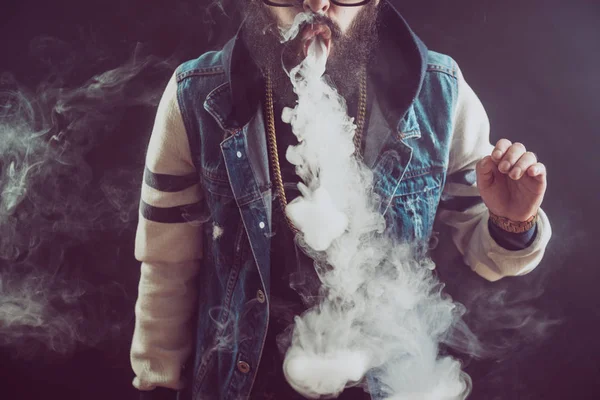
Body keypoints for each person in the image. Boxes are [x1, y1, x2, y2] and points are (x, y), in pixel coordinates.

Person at [130, 0, 552, 399]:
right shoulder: (194, 96)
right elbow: (168, 266)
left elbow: (486, 255)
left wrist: (514, 221)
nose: (315, 5)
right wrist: (158, 382)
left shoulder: (442, 94)